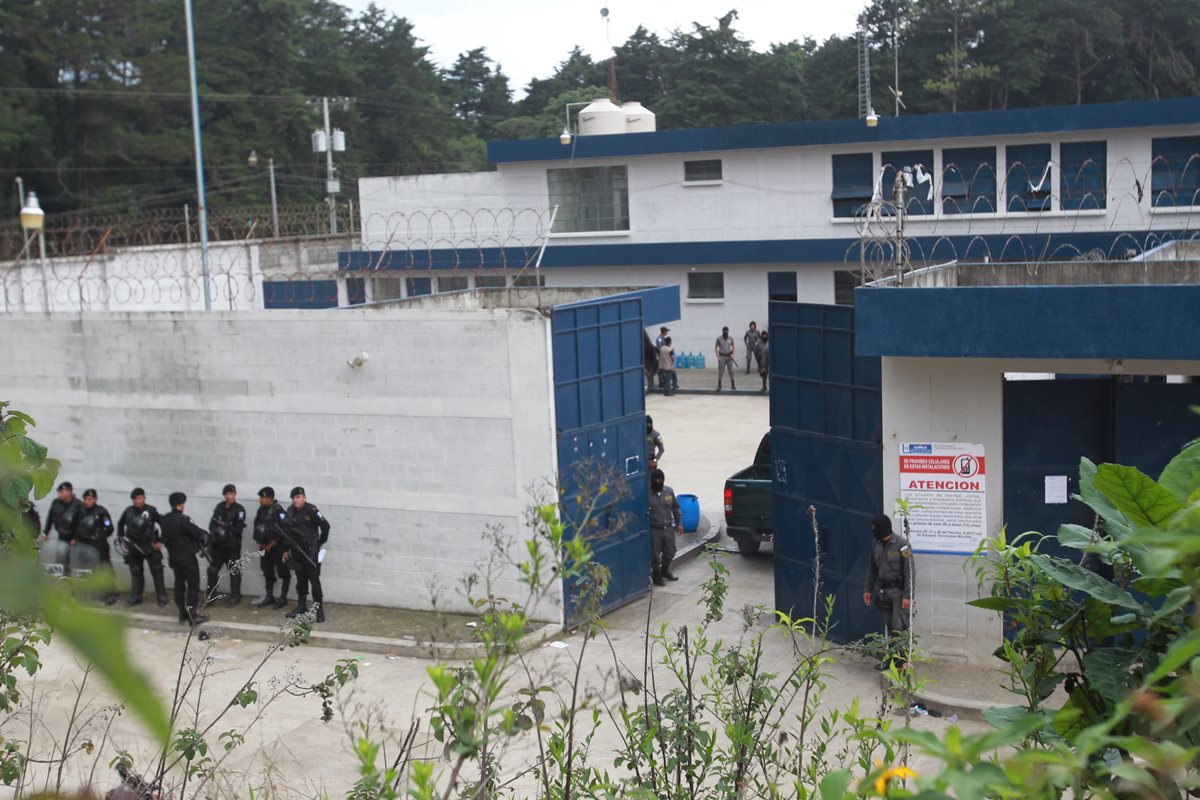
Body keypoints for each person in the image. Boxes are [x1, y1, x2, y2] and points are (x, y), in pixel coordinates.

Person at [862, 514, 914, 667]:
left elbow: (909, 572)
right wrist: (867, 590)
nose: (873, 531)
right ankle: (891, 659)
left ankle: (902, 662)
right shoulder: (876, 545)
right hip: (884, 592)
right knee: (890, 627)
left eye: (875, 528)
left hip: (899, 594)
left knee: (899, 626)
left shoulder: (902, 545)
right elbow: (872, 569)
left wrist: (907, 596)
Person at [159, 492, 210, 626]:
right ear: (179, 505)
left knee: (179, 585)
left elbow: (163, 537)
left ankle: (182, 614)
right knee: (193, 585)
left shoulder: (164, 520)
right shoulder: (183, 520)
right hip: (187, 557)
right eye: (182, 504)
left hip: (174, 557)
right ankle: (192, 616)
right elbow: (197, 533)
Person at [283, 487, 330, 623]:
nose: (296, 500)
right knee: (301, 581)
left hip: (310, 553)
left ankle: (318, 610)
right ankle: (301, 606)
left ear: (304, 498)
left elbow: (326, 527)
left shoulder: (312, 510)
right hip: (297, 552)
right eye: (294, 498)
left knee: (314, 583)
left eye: (298, 497)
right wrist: (286, 549)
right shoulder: (290, 511)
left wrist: (319, 542)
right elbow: (288, 533)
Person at [118, 488, 167, 607]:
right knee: (136, 572)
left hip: (150, 545)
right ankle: (136, 596)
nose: (137, 501)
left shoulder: (151, 510)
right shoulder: (129, 511)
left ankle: (161, 596)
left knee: (157, 570)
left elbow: (164, 524)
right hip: (134, 546)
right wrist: (122, 539)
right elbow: (120, 525)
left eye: (139, 498)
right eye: (134, 499)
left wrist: (160, 541)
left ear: (144, 498)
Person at [208, 483, 247, 607]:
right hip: (218, 546)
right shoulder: (219, 507)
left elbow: (238, 529)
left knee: (234, 572)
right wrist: (216, 532)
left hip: (232, 547)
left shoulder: (239, 509)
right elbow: (212, 524)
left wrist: (224, 527)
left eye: (231, 494)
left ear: (235, 494)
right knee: (212, 571)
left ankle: (235, 596)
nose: (229, 496)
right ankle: (211, 595)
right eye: (227, 494)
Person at [77, 489, 118, 605]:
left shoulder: (101, 512)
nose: (87, 501)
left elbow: (109, 528)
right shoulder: (82, 511)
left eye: (90, 499)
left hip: (100, 545)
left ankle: (110, 593)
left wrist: (99, 534)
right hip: (86, 544)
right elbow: (79, 527)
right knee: (87, 569)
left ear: (95, 499)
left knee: (104, 568)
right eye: (85, 499)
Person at [252, 487, 291, 609]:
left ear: (269, 498)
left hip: (277, 547)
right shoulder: (261, 510)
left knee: (283, 572)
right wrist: (262, 543)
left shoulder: (278, 511)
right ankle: (269, 596)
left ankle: (283, 597)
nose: (260, 500)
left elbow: (285, 531)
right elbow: (257, 526)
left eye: (262, 498)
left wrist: (271, 544)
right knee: (267, 571)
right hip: (264, 547)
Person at [647, 468, 682, 587]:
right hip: (654, 529)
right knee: (655, 555)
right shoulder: (646, 494)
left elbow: (676, 508)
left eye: (660, 479)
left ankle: (665, 571)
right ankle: (657, 575)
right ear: (652, 480)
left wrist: (679, 524)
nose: (658, 481)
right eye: (656, 479)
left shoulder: (669, 492)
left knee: (671, 551)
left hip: (668, 528)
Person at [714, 326, 736, 391]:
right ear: (722, 332)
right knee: (721, 371)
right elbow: (716, 348)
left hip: (729, 357)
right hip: (722, 356)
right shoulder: (719, 339)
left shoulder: (731, 338)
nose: (726, 333)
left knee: (731, 371)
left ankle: (733, 384)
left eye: (727, 332)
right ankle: (719, 385)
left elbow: (734, 347)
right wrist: (717, 356)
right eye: (724, 332)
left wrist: (733, 355)